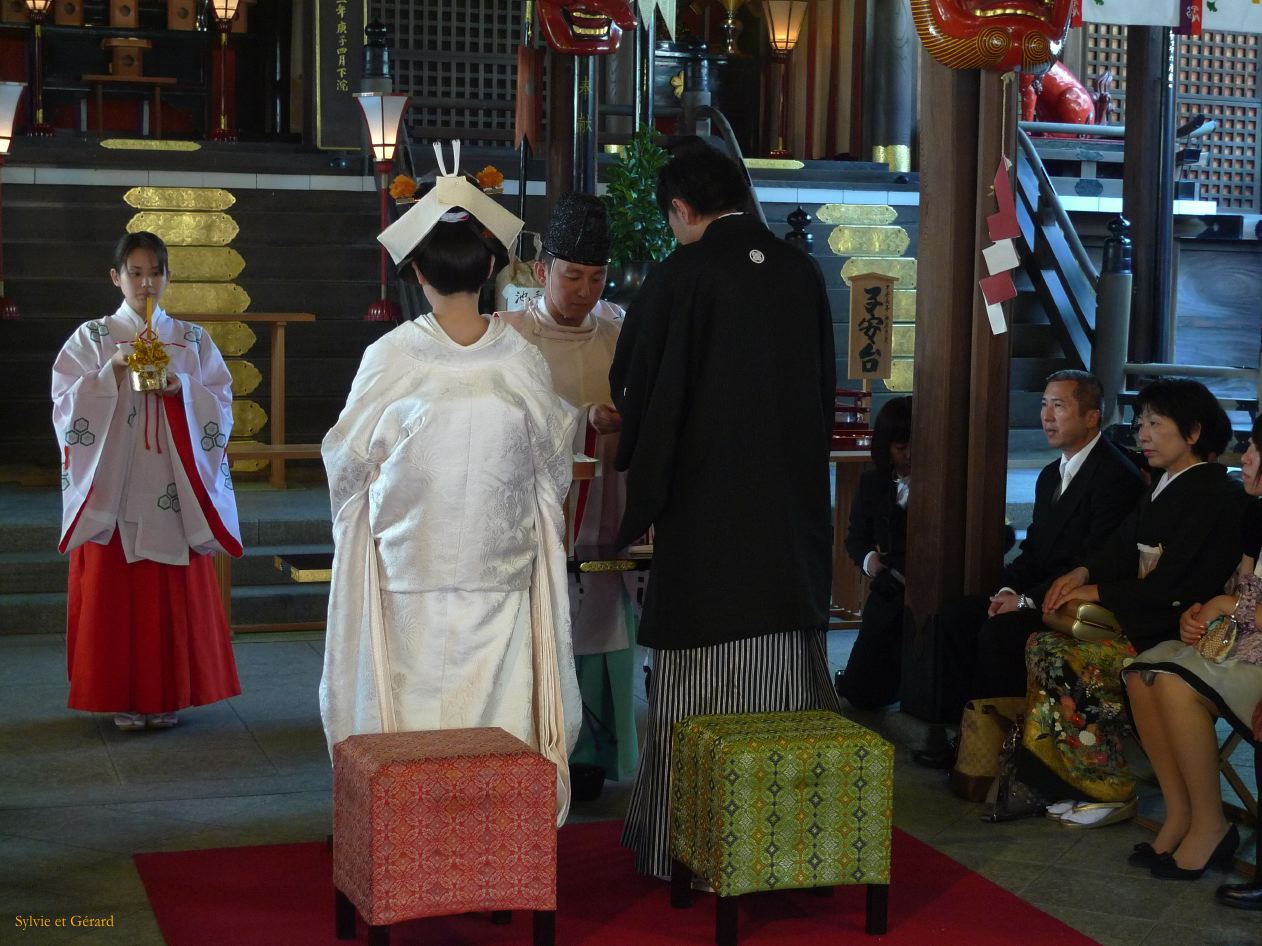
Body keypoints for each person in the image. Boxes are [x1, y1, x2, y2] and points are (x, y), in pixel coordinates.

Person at [319, 155, 583, 823]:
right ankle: (495, 846)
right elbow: (555, 461)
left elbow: (345, 461)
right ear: (491, 268)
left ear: (415, 272)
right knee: (494, 716)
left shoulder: (393, 356)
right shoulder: (520, 358)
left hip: (411, 572)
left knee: (410, 718)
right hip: (498, 574)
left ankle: (415, 845)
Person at [610, 140, 839, 878]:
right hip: (789, 522)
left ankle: (687, 845)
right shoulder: (801, 273)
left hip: (707, 530)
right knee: (784, 692)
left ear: (681, 209)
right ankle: (778, 843)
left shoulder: (681, 277)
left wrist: (640, 480)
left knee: (695, 693)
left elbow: (636, 388)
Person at [1017, 378, 1244, 826]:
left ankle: (1111, 788)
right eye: (1141, 422)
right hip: (1144, 613)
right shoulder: (1165, 483)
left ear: (1193, 433)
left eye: (1155, 424)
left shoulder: (1213, 493)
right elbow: (1121, 547)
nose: (1142, 434)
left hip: (1177, 625)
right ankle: (1074, 782)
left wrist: (1095, 591)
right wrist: (1083, 573)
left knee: (1071, 658)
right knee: (1043, 646)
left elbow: (1176, 582)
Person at [52, 231, 243, 732]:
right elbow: (64, 405)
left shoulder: (192, 340)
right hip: (116, 480)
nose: (145, 282)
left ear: (168, 276)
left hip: (170, 483)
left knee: (167, 593)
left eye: (155, 272)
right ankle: (121, 695)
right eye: (135, 272)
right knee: (116, 594)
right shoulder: (93, 337)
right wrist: (110, 372)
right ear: (116, 277)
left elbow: (222, 403)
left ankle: (166, 696)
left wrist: (184, 389)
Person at [916, 371, 1144, 763]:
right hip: (1040, 592)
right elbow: (1035, 549)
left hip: (1079, 606)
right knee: (957, 615)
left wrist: (1025, 601)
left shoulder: (1114, 476)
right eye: (1043, 404)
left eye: (1060, 406)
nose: (1047, 416)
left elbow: (1096, 561)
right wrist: (1008, 591)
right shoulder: (1050, 474)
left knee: (1000, 632)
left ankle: (1004, 749)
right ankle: (961, 736)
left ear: (1092, 417)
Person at [499, 192, 639, 783]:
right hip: (541, 507)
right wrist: (582, 419)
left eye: (597, 278)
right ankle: (542, 752)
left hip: (610, 498)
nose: (584, 291)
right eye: (572, 275)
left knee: (607, 616)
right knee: (546, 623)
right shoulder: (508, 335)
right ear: (541, 271)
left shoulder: (618, 329)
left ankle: (599, 754)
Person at [1120, 415, 1262, 880]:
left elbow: (1247, 606)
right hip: (1242, 642)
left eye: (1257, 451)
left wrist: (1227, 606)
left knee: (1178, 686)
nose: (1245, 458)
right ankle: (1183, 812)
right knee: (1145, 673)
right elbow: (1239, 589)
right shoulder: (1256, 513)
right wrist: (1200, 615)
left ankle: (1211, 825)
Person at [835, 396, 912, 709]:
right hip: (891, 585)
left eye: (915, 446)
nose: (910, 456)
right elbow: (856, 538)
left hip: (934, 587)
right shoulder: (873, 482)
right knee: (861, 693)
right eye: (901, 448)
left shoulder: (947, 480)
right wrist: (871, 561)